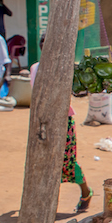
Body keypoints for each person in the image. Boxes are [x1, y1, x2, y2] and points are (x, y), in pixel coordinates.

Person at [31, 35, 93, 212]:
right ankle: (45, 203)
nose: (44, 46)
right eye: (42, 43)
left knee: (66, 161)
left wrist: (86, 85)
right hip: (41, 121)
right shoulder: (35, 68)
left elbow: (76, 92)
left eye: (48, 42)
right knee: (42, 160)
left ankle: (86, 193)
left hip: (62, 121)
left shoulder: (64, 68)